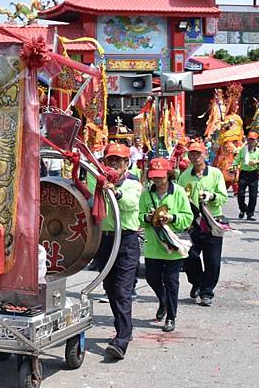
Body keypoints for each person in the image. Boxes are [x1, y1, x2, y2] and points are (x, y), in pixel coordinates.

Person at [93, 143, 142, 360]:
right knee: (110, 288)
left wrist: (116, 192)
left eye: (118, 160)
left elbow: (130, 203)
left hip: (126, 241)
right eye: (110, 160)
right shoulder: (99, 182)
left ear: (126, 163)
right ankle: (123, 326)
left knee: (122, 291)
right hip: (105, 241)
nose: (114, 164)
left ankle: (122, 340)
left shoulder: (132, 184)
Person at [139, 158, 193, 332]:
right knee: (152, 278)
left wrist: (172, 218)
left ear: (168, 175)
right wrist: (147, 218)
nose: (157, 181)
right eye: (154, 177)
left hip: (173, 246)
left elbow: (188, 217)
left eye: (161, 177)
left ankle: (171, 316)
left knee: (171, 281)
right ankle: (162, 300)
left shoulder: (178, 192)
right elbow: (139, 216)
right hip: (153, 245)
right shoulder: (147, 193)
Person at [178, 142, 228, 307]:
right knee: (189, 255)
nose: (195, 157)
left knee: (212, 261)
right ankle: (197, 282)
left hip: (213, 220)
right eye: (192, 154)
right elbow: (180, 198)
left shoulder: (215, 173)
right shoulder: (184, 176)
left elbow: (223, 196)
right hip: (194, 222)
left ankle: (206, 292)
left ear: (205, 154)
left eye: (198, 154)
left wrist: (211, 196)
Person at [232, 131, 259, 221]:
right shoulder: (243, 150)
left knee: (253, 195)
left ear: (256, 141)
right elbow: (236, 160)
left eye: (253, 139)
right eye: (249, 139)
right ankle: (243, 209)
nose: (251, 141)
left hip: (253, 174)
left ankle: (250, 213)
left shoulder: (258, 151)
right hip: (243, 174)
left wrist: (256, 162)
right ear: (247, 140)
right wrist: (233, 167)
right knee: (240, 194)